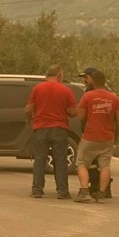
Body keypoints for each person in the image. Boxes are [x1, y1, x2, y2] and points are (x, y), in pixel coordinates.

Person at [24, 64, 77, 199]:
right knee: (60, 160)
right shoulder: (66, 90)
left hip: (40, 128)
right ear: (59, 75)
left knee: (39, 159)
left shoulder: (38, 89)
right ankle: (62, 191)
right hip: (59, 129)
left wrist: (30, 121)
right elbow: (72, 112)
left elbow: (29, 109)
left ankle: (37, 190)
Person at [74, 69, 119, 203]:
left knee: (82, 163)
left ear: (93, 81)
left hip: (90, 136)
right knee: (105, 166)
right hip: (107, 137)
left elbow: (81, 116)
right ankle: (102, 193)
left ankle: (84, 192)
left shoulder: (88, 96)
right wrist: (116, 134)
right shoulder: (114, 98)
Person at [79, 67, 114, 199]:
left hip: (94, 133)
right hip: (101, 133)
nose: (84, 80)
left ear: (93, 78)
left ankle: (100, 187)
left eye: (86, 77)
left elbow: (82, 114)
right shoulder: (89, 90)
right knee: (96, 164)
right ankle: (99, 187)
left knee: (93, 163)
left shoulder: (97, 92)